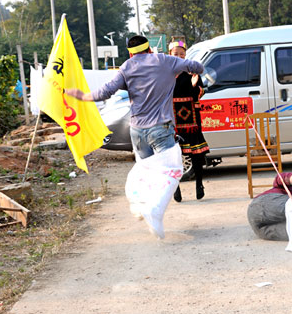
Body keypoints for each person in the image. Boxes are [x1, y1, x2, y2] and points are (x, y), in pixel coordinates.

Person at [65, 35, 204, 160]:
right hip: (161, 128)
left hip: (137, 131)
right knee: (167, 174)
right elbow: (198, 67)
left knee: (147, 174)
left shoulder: (126, 67)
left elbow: (106, 91)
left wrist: (83, 96)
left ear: (131, 53)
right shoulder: (165, 60)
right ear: (149, 49)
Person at [168, 39, 209, 202]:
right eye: (176, 54)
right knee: (173, 156)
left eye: (182, 54)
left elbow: (200, 93)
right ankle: (175, 188)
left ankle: (199, 184)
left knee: (196, 154)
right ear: (170, 55)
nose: (179, 56)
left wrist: (194, 86)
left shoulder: (192, 71)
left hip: (191, 119)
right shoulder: (166, 73)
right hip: (171, 120)